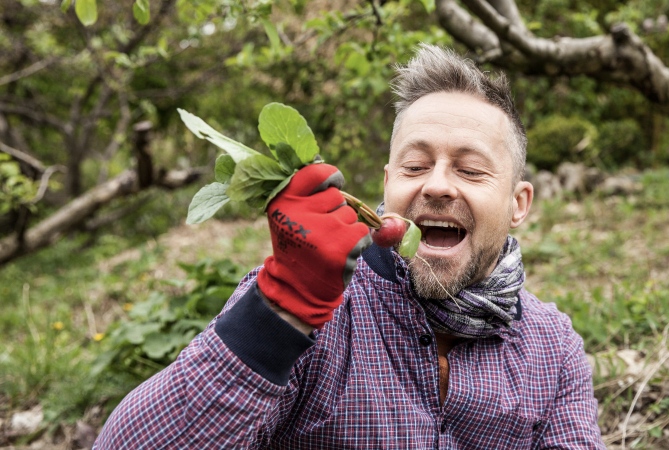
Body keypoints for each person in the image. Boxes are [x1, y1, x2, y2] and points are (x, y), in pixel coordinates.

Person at [95, 44, 604, 449]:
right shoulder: (309, 310)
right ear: (386, 184)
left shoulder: (551, 348)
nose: (439, 186)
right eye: (415, 166)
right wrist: (277, 315)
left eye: (470, 170)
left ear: (519, 203)